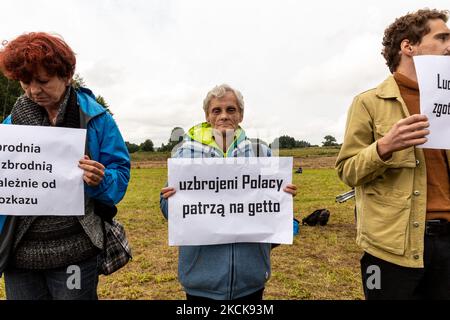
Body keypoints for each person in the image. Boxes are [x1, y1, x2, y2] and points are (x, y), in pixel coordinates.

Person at [0, 32, 130, 300]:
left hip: (75, 252)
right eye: (26, 82)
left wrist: (101, 180)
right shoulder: (9, 127)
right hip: (19, 256)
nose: (34, 90)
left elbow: (120, 173)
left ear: (67, 75)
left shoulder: (97, 119)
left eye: (43, 81)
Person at [336, 9, 450, 300]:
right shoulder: (368, 103)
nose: (449, 46)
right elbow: (347, 171)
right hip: (392, 247)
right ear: (408, 46)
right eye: (442, 37)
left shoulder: (446, 101)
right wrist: (385, 146)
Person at [160, 84, 297, 300]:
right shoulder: (185, 154)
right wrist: (171, 200)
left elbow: (273, 210)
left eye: (231, 110)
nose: (224, 116)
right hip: (200, 280)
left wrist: (284, 196)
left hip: (250, 280)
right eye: (217, 110)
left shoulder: (261, 152)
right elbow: (169, 212)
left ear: (241, 115)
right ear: (207, 115)